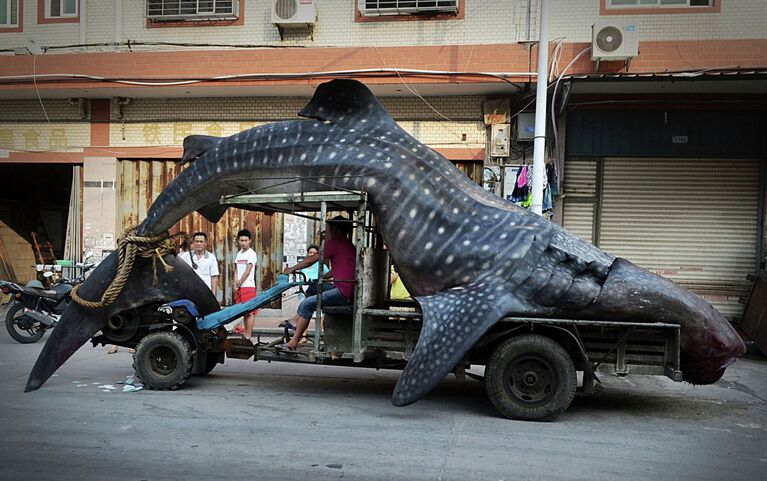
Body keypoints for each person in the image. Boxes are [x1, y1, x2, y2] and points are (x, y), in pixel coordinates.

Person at [279, 216, 356, 351]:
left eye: (328, 228)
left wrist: (291, 269)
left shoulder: (335, 243)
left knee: (307, 304)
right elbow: (341, 267)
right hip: (349, 290)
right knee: (313, 288)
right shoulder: (349, 244)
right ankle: (296, 319)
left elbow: (311, 260)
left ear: (335, 229)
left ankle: (293, 342)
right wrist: (324, 276)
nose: (326, 231)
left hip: (343, 292)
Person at [234, 229, 258, 340]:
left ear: (250, 241)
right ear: (238, 241)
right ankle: (245, 333)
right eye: (241, 240)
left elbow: (248, 270)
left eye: (245, 240)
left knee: (250, 312)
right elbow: (236, 270)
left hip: (248, 286)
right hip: (240, 286)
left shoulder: (251, 254)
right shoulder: (239, 254)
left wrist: (240, 282)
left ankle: (248, 335)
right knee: (244, 312)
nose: (243, 243)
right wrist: (235, 283)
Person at [180, 232, 220, 297]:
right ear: (193, 243)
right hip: (189, 292)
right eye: (196, 241)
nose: (199, 244)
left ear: (205, 243)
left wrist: (213, 296)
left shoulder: (211, 257)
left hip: (205, 292)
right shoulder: (186, 256)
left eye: (201, 242)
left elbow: (214, 277)